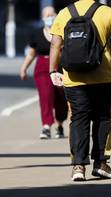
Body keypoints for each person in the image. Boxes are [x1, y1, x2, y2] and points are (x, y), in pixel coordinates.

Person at [49, 0, 111, 181]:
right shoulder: (107, 12)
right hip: (103, 76)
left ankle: (78, 166)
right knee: (102, 117)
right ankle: (101, 163)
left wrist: (53, 70)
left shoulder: (64, 13)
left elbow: (55, 44)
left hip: (73, 77)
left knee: (78, 118)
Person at [20, 6, 68, 139]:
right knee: (46, 96)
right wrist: (24, 68)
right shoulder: (37, 33)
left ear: (57, 15)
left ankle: (60, 124)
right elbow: (31, 54)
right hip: (42, 67)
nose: (49, 18)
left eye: (52, 14)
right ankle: (46, 126)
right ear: (42, 18)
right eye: (47, 15)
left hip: (60, 66)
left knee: (61, 98)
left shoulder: (63, 32)